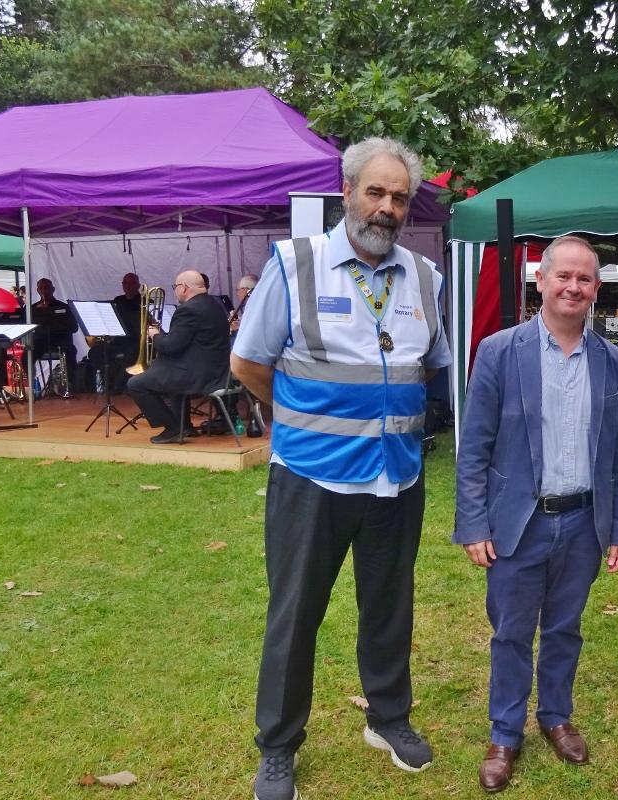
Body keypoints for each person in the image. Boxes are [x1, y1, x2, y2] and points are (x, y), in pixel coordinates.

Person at [231, 137, 451, 800]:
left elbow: (430, 366)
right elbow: (248, 363)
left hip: (396, 476)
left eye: (399, 198)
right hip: (311, 476)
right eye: (375, 192)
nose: (386, 208)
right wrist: (299, 417)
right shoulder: (297, 265)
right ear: (348, 191)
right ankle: (278, 746)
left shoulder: (426, 279)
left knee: (390, 607)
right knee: (295, 614)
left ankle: (388, 719)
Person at [453, 236, 618, 792]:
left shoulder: (613, 361)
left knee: (564, 629)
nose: (573, 287)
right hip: (518, 522)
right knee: (511, 633)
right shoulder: (498, 351)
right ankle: (505, 734)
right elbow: (474, 449)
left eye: (585, 279)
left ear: (596, 290)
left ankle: (556, 716)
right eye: (563, 276)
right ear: (540, 281)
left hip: (584, 521)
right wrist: (473, 522)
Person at [125, 271, 230, 444]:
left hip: (198, 374)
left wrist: (155, 335)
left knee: (135, 384)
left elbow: (170, 347)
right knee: (168, 378)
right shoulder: (214, 303)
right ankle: (185, 426)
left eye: (175, 287)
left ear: (184, 288)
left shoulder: (188, 310)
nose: (175, 291)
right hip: (217, 370)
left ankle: (173, 428)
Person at [31, 278, 79, 397]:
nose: (44, 291)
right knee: (26, 355)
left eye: (46, 288)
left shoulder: (63, 306)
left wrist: (58, 326)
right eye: (41, 288)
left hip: (60, 340)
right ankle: (32, 387)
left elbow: (74, 327)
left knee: (70, 351)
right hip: (41, 341)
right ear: (37, 290)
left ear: (53, 289)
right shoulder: (32, 309)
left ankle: (68, 386)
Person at [230, 273, 258, 337]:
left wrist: (236, 328)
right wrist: (238, 322)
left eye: (237, 290)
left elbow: (251, 331)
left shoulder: (252, 307)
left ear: (245, 290)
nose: (237, 294)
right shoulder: (254, 304)